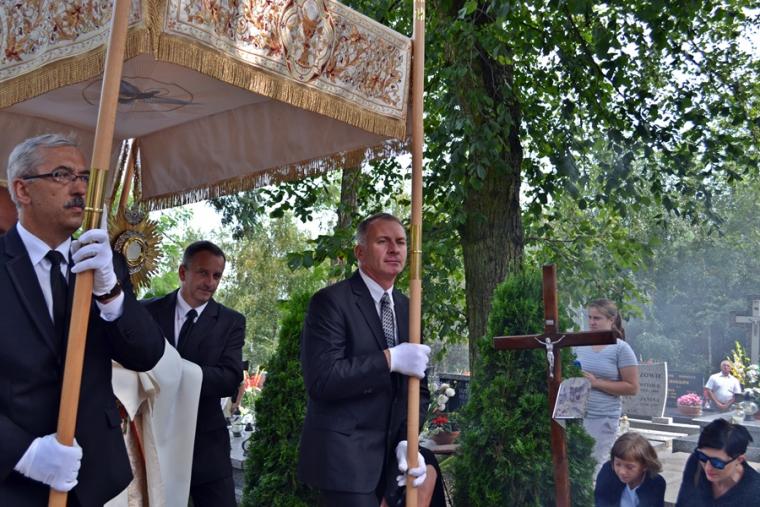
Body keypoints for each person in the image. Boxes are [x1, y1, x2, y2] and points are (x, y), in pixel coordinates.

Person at [0, 134, 165, 505]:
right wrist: (24, 453)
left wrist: (110, 293)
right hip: (12, 480)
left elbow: (147, 354)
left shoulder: (103, 264)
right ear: (22, 190)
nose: (80, 189)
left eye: (85, 177)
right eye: (62, 175)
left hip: (91, 477)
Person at [298, 212, 445, 507]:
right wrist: (389, 359)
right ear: (360, 252)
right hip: (345, 460)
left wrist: (407, 440)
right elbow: (322, 379)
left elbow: (418, 388)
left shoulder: (408, 308)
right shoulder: (331, 302)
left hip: (394, 458)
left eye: (401, 242)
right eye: (383, 241)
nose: (394, 249)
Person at [142, 240, 244, 507]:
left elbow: (230, 379)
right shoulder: (146, 311)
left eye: (217, 275)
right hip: (151, 436)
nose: (210, 282)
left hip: (206, 445)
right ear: (182, 272)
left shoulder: (231, 322)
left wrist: (178, 372)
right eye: (203, 273)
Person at [574, 298, 639, 471]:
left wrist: (596, 383)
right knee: (577, 467)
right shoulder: (580, 345)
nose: (592, 322)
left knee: (596, 468)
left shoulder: (621, 348)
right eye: (589, 317)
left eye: (597, 318)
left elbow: (632, 387)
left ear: (611, 320)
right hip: (576, 415)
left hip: (602, 418)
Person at [675, 418, 760, 506]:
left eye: (717, 463)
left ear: (739, 460)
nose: (708, 467)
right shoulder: (696, 461)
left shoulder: (755, 494)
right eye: (703, 458)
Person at [595, 432, 666, 507]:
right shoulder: (607, 473)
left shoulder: (656, 483)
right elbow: (601, 501)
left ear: (645, 465)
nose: (622, 472)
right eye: (618, 464)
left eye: (629, 467)